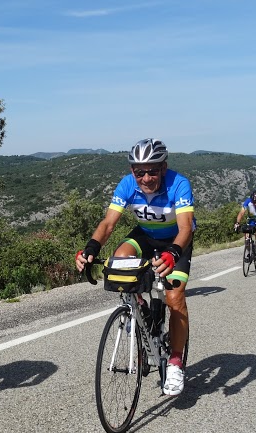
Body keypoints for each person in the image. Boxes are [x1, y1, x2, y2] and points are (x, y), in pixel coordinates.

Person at [75, 138, 195, 397]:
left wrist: (173, 253)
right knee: (120, 258)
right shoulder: (127, 184)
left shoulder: (179, 184)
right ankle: (137, 308)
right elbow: (108, 224)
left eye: (152, 170)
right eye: (140, 171)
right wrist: (91, 249)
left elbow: (185, 228)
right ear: (133, 171)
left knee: (175, 297)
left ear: (164, 167)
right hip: (145, 235)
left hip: (175, 241)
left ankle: (175, 361)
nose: (146, 177)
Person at [234, 190, 256, 259]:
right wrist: (237, 223)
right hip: (251, 220)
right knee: (247, 236)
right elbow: (241, 213)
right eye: (254, 202)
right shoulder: (248, 201)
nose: (255, 204)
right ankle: (249, 253)